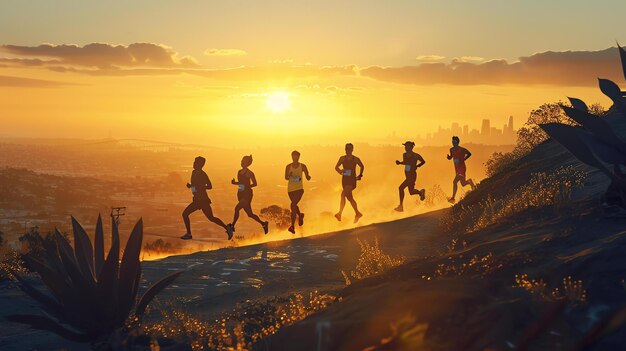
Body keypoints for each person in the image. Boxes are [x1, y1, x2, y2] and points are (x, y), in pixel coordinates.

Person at [181, 156, 233, 240]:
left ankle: (189, 234)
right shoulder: (194, 172)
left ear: (199, 164)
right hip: (198, 199)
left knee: (185, 214)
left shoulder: (202, 174)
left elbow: (209, 186)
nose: (193, 163)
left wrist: (199, 186)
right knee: (211, 218)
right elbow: (195, 185)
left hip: (202, 200)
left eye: (195, 162)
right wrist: (191, 186)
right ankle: (227, 227)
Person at [230, 155, 269, 234]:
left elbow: (255, 183)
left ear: (247, 163)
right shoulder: (239, 171)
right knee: (250, 214)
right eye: (241, 160)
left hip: (247, 194)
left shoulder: (250, 173)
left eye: (242, 161)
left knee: (237, 208)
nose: (241, 162)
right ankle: (263, 224)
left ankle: (232, 226)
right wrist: (234, 183)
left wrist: (247, 186)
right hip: (240, 194)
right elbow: (241, 183)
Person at [334, 143, 364, 223]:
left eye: (349, 149)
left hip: (352, 180)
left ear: (352, 149)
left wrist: (360, 175)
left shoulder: (355, 159)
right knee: (350, 198)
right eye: (347, 149)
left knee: (343, 194)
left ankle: (339, 213)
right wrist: (340, 171)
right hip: (344, 180)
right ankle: (357, 213)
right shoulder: (342, 158)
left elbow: (362, 166)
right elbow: (336, 167)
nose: (348, 150)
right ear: (345, 149)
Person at [394, 141, 426, 212]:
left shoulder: (415, 155)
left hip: (412, 175)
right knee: (411, 192)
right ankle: (420, 192)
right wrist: (400, 163)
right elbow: (405, 162)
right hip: (407, 175)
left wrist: (417, 166)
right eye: (405, 147)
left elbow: (423, 161)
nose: (405, 148)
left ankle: (401, 206)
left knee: (401, 188)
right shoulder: (404, 155)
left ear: (410, 147)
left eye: (406, 146)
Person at [285, 150, 311, 234]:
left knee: (292, 205)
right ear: (291, 157)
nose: (295, 158)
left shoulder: (303, 166)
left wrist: (308, 177)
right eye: (293, 156)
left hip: (299, 189)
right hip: (290, 190)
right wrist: (291, 176)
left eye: (296, 156)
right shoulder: (288, 166)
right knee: (294, 205)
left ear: (299, 157)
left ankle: (292, 226)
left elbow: (307, 176)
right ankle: (300, 215)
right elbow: (286, 177)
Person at [447, 136, 476, 203]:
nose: (453, 143)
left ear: (457, 142)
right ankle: (470, 181)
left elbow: (469, 154)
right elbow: (451, 156)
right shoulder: (451, 149)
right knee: (463, 184)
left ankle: (453, 198)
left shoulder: (462, 149)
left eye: (454, 142)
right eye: (452, 142)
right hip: (456, 168)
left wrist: (464, 159)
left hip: (462, 168)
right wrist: (449, 157)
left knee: (454, 182)